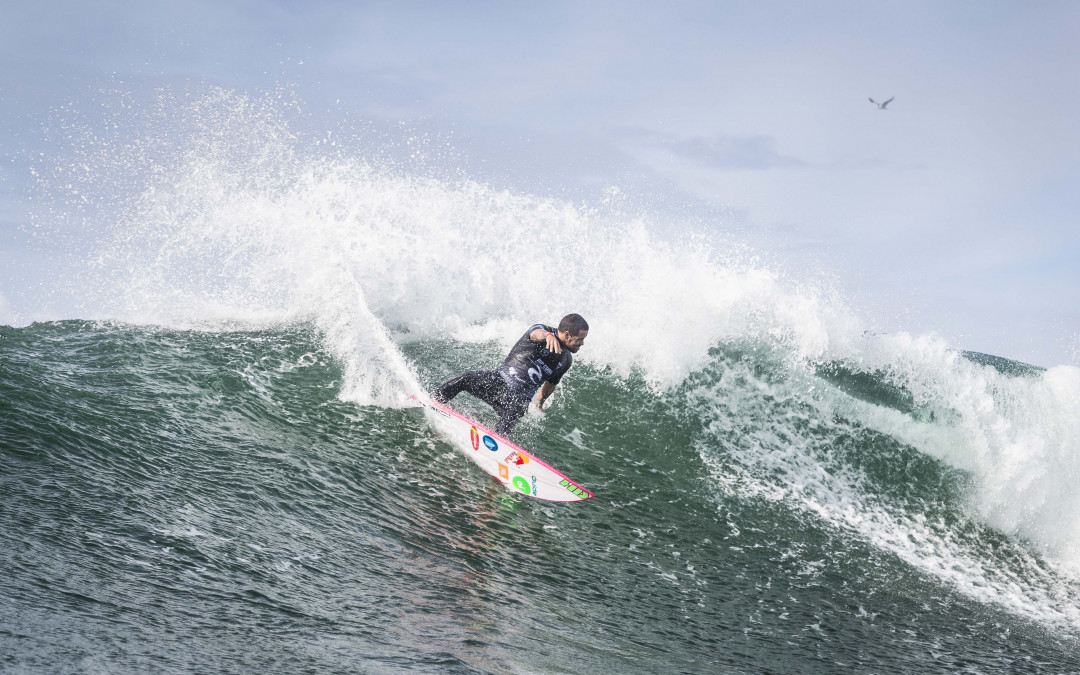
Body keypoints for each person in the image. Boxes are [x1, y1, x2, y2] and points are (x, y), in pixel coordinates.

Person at [431, 313, 589, 436]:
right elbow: (535, 333)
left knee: (515, 411)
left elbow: (551, 382)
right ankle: (432, 402)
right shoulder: (543, 330)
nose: (582, 343)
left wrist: (539, 402)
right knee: (466, 379)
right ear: (567, 335)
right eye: (580, 339)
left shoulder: (566, 359)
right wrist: (548, 336)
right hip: (499, 381)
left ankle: (496, 446)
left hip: (518, 398)